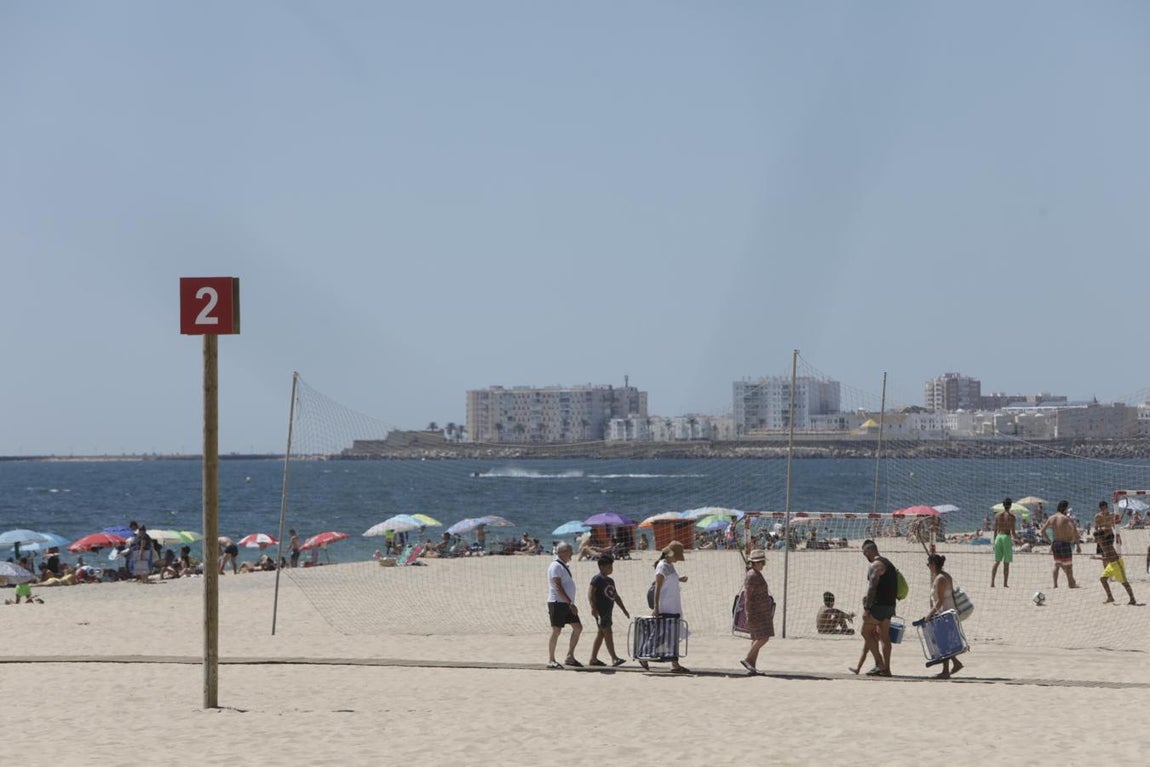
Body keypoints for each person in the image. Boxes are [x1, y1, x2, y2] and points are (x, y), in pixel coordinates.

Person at [646, 540, 689, 673]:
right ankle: (644, 653)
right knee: (661, 633)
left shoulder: (669, 565)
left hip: (673, 604)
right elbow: (657, 587)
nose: (678, 559)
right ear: (671, 554)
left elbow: (668, 580)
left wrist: (679, 579)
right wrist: (656, 607)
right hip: (665, 606)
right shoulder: (662, 566)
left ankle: (675, 664)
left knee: (671, 634)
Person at [921, 553, 964, 679]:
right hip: (948, 611)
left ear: (933, 565)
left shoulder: (940, 578)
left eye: (928, 564)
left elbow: (939, 600)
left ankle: (947, 670)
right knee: (945, 641)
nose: (928, 567)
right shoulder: (945, 575)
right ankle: (954, 664)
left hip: (944, 613)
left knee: (943, 642)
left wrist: (929, 614)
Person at [859, 539, 898, 677]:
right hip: (890, 606)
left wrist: (867, 608)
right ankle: (887, 669)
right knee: (884, 637)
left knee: (865, 632)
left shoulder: (875, 565)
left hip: (879, 606)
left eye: (865, 552)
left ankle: (879, 663)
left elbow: (872, 587)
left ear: (870, 550)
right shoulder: (888, 563)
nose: (865, 556)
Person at [587, 554, 629, 667]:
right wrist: (593, 607)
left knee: (601, 634)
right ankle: (614, 658)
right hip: (600, 612)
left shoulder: (610, 581)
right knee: (608, 633)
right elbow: (590, 593)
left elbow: (615, 596)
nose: (611, 569)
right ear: (601, 567)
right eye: (609, 566)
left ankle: (593, 658)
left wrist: (624, 609)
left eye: (611, 566)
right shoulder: (597, 579)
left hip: (608, 612)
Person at [546, 541, 582, 669]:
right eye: (570, 551)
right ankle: (551, 660)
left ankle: (570, 656)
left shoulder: (562, 565)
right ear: (562, 552)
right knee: (556, 630)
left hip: (566, 603)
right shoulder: (555, 566)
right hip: (557, 602)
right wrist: (570, 603)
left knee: (578, 627)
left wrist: (569, 603)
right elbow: (557, 587)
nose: (572, 553)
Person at [740, 549, 774, 674]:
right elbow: (747, 597)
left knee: (756, 638)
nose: (763, 565)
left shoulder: (755, 574)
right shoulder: (752, 575)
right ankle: (748, 659)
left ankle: (752, 666)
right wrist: (748, 613)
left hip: (762, 611)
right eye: (762, 562)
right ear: (756, 563)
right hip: (756, 612)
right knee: (763, 637)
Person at [1039, 500, 1079, 588]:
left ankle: (1055, 584)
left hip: (1055, 543)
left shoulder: (1051, 518)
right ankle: (1071, 584)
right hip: (1064, 543)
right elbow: (1074, 530)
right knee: (1068, 566)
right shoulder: (1065, 518)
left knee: (1057, 565)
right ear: (1065, 508)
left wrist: (1050, 541)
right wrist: (1077, 544)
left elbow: (1042, 531)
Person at [1093, 526, 1137, 605]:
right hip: (1111, 564)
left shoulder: (1107, 545)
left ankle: (1132, 599)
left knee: (1124, 582)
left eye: (1096, 538)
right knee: (1103, 579)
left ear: (1101, 537)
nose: (1095, 539)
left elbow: (1108, 558)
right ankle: (1110, 597)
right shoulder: (1101, 543)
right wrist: (1100, 529)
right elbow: (1106, 530)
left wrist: (1096, 558)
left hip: (1117, 564)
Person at [991, 497, 1019, 588]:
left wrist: (994, 541)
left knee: (997, 561)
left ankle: (992, 582)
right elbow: (1013, 533)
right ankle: (1005, 583)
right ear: (1010, 506)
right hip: (1006, 538)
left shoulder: (997, 516)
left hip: (998, 537)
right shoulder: (1012, 517)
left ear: (1003, 505)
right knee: (1006, 563)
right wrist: (1019, 540)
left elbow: (995, 530)